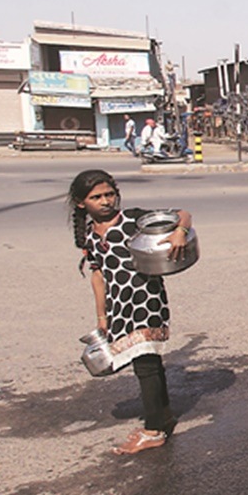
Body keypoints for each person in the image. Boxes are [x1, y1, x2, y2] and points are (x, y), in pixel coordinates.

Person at [66, 169, 192, 454]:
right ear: (81, 203)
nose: (105, 201)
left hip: (146, 299)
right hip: (119, 306)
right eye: (96, 197)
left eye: (109, 194)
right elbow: (98, 276)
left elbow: (182, 214)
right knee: (145, 364)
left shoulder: (133, 219)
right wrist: (102, 317)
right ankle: (163, 417)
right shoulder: (89, 235)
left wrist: (180, 233)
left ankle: (153, 431)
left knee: (146, 363)